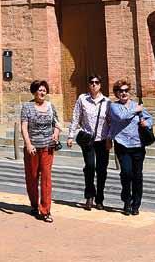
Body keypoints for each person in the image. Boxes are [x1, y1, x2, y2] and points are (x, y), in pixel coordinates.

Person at [107, 78, 153, 216]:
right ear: (116, 93)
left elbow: (150, 119)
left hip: (138, 145)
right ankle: (126, 200)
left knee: (137, 176)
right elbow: (121, 117)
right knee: (126, 173)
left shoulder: (136, 105)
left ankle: (135, 205)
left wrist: (147, 123)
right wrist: (136, 110)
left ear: (129, 92)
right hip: (122, 145)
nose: (124, 93)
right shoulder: (114, 107)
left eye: (126, 90)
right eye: (121, 91)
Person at [67, 74, 111, 210]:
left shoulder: (107, 102)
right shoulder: (82, 99)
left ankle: (100, 199)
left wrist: (110, 139)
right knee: (90, 167)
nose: (94, 84)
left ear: (100, 85)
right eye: (91, 82)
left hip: (102, 140)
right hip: (88, 140)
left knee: (102, 170)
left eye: (96, 82)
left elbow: (110, 123)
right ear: (88, 84)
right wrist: (70, 135)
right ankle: (89, 197)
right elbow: (76, 117)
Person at [21, 79, 60, 222]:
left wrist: (56, 133)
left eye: (44, 90)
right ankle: (33, 204)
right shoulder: (27, 107)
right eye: (39, 90)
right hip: (32, 148)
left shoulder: (51, 106)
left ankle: (45, 210)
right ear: (34, 91)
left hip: (47, 147)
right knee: (32, 177)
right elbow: (24, 126)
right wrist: (28, 144)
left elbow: (57, 123)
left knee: (46, 178)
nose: (42, 92)